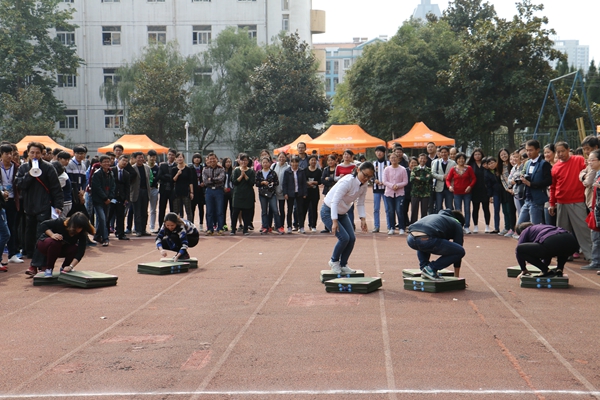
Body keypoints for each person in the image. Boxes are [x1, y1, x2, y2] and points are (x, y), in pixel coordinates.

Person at [16, 142, 64, 268]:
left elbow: (56, 188)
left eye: (37, 153)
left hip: (44, 205)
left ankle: (40, 262)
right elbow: (20, 185)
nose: (35, 155)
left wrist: (58, 205)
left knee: (42, 233)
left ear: (42, 154)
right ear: (28, 153)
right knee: (29, 233)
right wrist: (30, 174)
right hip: (28, 206)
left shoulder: (48, 167)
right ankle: (32, 257)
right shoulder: (23, 168)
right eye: (32, 152)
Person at [321, 162, 374, 274]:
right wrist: (334, 221)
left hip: (343, 213)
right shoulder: (347, 181)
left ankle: (343, 264)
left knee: (352, 238)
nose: (366, 179)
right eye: (365, 175)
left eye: (369, 177)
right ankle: (333, 261)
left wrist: (363, 219)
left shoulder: (364, 185)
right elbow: (334, 201)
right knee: (344, 238)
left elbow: (360, 203)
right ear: (358, 170)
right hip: (329, 211)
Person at [548, 141, 592, 262]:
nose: (560, 154)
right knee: (562, 231)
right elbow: (552, 187)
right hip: (561, 202)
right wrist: (552, 203)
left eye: (563, 151)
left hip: (577, 201)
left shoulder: (579, 160)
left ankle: (591, 256)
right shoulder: (555, 167)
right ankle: (565, 254)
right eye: (558, 152)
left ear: (568, 150)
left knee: (583, 229)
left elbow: (589, 172)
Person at [406, 210, 466, 280]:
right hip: (426, 239)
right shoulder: (457, 223)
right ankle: (431, 268)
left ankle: (424, 267)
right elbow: (458, 247)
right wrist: (456, 277)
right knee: (460, 251)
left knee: (423, 243)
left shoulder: (437, 218)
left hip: (410, 238)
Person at [35, 212, 95, 277]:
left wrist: (71, 266)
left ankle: (64, 268)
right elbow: (43, 224)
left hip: (60, 249)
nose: (78, 229)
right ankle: (49, 268)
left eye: (80, 227)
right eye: (76, 226)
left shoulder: (82, 233)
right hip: (45, 245)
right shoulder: (61, 222)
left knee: (74, 248)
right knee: (56, 242)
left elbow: (80, 252)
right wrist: (52, 235)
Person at [514, 222, 579, 278]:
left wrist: (523, 269)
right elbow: (547, 254)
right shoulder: (543, 227)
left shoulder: (526, 230)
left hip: (552, 242)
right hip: (571, 241)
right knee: (561, 248)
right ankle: (559, 269)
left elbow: (518, 250)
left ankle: (546, 270)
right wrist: (545, 266)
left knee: (520, 249)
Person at [516, 139, 552, 226]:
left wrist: (531, 184)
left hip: (537, 200)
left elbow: (548, 181)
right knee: (519, 226)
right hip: (527, 199)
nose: (528, 153)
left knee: (535, 226)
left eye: (531, 150)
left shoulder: (544, 164)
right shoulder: (527, 163)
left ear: (537, 150)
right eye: (527, 150)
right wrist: (522, 178)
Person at [0, 144, 22, 266]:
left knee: (12, 227)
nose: (9, 156)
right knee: (3, 229)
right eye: (6, 154)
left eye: (11, 153)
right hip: (1, 201)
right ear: (1, 155)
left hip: (13, 200)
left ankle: (12, 254)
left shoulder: (17, 167)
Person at [446, 152, 476, 234]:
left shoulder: (469, 168)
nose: (461, 160)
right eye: (459, 158)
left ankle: (467, 226)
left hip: (467, 192)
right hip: (457, 193)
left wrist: (470, 186)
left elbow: (474, 179)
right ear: (456, 160)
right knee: (458, 210)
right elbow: (448, 179)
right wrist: (449, 186)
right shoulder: (453, 169)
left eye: (463, 158)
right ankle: (459, 226)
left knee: (467, 209)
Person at [91, 155, 115, 246]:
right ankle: (105, 238)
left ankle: (97, 236)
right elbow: (97, 188)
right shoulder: (97, 174)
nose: (106, 163)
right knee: (102, 218)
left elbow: (113, 186)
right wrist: (105, 198)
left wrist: (110, 198)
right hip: (99, 201)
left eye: (108, 162)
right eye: (104, 162)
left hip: (108, 200)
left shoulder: (111, 173)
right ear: (100, 163)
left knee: (104, 219)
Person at [382, 153, 408, 235]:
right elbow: (384, 181)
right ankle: (391, 227)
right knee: (390, 211)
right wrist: (392, 186)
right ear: (389, 159)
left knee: (399, 210)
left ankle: (401, 227)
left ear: (398, 159)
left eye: (395, 157)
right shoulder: (387, 169)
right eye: (391, 158)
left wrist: (398, 185)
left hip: (400, 193)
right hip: (389, 193)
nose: (393, 159)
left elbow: (405, 181)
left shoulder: (403, 169)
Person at [256, 156, 283, 234]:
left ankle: (279, 227)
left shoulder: (273, 173)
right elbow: (256, 183)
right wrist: (262, 182)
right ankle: (265, 227)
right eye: (263, 162)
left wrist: (272, 183)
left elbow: (277, 182)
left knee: (275, 210)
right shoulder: (259, 173)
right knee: (264, 211)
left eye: (266, 162)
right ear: (261, 163)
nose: (265, 164)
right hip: (262, 194)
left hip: (271, 194)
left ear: (269, 163)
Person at [230, 153, 255, 235]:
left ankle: (245, 229)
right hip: (238, 194)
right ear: (239, 161)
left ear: (248, 161)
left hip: (247, 194)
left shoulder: (251, 171)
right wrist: (241, 176)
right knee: (235, 213)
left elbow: (252, 183)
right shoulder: (236, 170)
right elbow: (234, 182)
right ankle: (233, 229)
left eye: (245, 160)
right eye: (242, 160)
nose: (244, 162)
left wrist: (246, 177)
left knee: (246, 213)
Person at [282, 156, 307, 234]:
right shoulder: (287, 171)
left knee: (300, 210)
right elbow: (284, 183)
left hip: (299, 193)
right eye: (292, 162)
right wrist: (285, 193)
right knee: (289, 210)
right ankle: (289, 227)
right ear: (290, 163)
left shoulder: (301, 171)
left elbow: (304, 183)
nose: (294, 164)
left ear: (298, 163)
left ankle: (301, 227)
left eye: (296, 162)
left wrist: (305, 193)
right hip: (290, 193)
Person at [466, 148, 490, 233]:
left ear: (482, 155)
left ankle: (487, 225)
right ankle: (475, 226)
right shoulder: (470, 165)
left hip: (485, 189)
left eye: (479, 154)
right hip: (474, 189)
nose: (477, 156)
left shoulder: (486, 164)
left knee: (486, 208)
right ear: (473, 156)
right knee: (475, 208)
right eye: (475, 154)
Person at [203, 153, 226, 236]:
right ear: (208, 160)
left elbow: (221, 179)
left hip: (218, 190)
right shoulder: (205, 169)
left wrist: (211, 179)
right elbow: (205, 181)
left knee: (220, 211)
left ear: (217, 159)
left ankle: (220, 228)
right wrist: (215, 179)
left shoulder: (221, 169)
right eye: (210, 159)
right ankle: (210, 229)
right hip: (209, 191)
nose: (212, 160)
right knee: (209, 211)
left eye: (213, 158)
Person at [584, 149, 600, 270]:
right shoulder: (596, 173)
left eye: (592, 160)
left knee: (596, 237)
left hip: (597, 211)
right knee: (595, 237)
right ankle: (596, 261)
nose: (589, 162)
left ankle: (596, 261)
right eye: (588, 160)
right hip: (595, 209)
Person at [109, 155, 131, 240]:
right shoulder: (111, 170)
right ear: (118, 160)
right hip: (111, 197)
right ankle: (105, 232)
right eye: (123, 160)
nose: (125, 162)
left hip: (121, 197)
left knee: (121, 216)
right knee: (108, 215)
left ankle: (120, 233)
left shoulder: (127, 174)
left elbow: (127, 187)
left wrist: (126, 198)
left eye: (126, 161)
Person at [131, 152, 152, 237]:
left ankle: (143, 229)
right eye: (139, 157)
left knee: (144, 212)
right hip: (136, 192)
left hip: (145, 191)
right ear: (135, 158)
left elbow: (149, 179)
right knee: (137, 212)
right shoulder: (132, 168)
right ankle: (138, 230)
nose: (140, 159)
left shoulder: (147, 167)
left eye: (142, 157)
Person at [431, 146, 456, 213]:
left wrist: (449, 177)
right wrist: (442, 177)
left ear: (448, 153)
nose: (443, 154)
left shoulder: (453, 163)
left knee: (449, 207)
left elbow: (456, 173)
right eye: (442, 152)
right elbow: (432, 173)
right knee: (438, 207)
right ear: (440, 153)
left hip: (449, 188)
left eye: (445, 152)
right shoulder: (436, 162)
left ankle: (449, 219)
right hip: (439, 188)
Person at [371, 145, 390, 233]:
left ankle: (389, 226)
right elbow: (370, 175)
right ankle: (376, 226)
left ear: (384, 153)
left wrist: (386, 182)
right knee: (376, 209)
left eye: (381, 151)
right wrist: (374, 180)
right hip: (376, 189)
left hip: (387, 189)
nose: (379, 153)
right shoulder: (373, 164)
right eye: (377, 151)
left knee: (388, 208)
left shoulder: (389, 163)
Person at [410, 153, 432, 224]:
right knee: (414, 210)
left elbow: (428, 179)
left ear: (426, 160)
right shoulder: (414, 169)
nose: (422, 160)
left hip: (425, 193)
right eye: (421, 158)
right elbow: (412, 179)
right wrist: (423, 178)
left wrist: (418, 178)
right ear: (418, 159)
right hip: (415, 192)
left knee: (424, 211)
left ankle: (423, 225)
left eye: (424, 158)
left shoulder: (428, 169)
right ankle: (413, 224)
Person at [171, 152, 194, 221]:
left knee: (188, 210)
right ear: (175, 159)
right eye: (178, 157)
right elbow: (173, 180)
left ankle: (190, 225)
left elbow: (190, 182)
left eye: (181, 157)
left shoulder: (188, 169)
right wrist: (177, 174)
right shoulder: (174, 169)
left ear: (184, 158)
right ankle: (177, 225)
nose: (179, 159)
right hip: (176, 192)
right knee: (176, 211)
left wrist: (191, 192)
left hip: (186, 192)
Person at [157, 149, 176, 226]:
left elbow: (175, 178)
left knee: (173, 209)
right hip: (163, 190)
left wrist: (166, 176)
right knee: (162, 209)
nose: (171, 156)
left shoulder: (176, 166)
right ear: (167, 155)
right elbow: (159, 176)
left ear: (175, 156)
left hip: (173, 190)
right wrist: (170, 178)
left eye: (172, 155)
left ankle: (173, 225)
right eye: (169, 154)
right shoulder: (163, 165)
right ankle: (161, 226)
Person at [304, 155, 322, 232]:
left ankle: (313, 225)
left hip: (315, 192)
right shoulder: (305, 170)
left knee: (314, 209)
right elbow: (302, 180)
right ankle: (302, 225)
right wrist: (307, 183)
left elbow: (321, 181)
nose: (313, 162)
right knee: (304, 209)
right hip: (306, 192)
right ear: (309, 161)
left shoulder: (319, 171)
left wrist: (316, 182)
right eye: (312, 160)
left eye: (314, 160)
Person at [320, 154, 337, 233]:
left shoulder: (338, 169)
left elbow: (338, 179)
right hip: (327, 191)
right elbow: (322, 180)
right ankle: (327, 227)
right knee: (327, 208)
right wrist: (331, 182)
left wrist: (330, 179)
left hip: (336, 191)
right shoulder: (325, 169)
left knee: (336, 208)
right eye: (329, 160)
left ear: (335, 161)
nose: (330, 162)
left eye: (332, 160)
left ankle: (336, 226)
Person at [189, 153, 205, 231]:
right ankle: (191, 224)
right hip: (193, 191)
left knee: (201, 208)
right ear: (193, 159)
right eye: (195, 158)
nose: (197, 159)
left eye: (198, 157)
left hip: (201, 191)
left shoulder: (203, 168)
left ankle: (201, 224)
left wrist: (203, 183)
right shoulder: (190, 168)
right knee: (192, 208)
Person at [147, 149, 160, 233]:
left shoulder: (157, 168)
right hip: (145, 190)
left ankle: (152, 226)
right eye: (150, 156)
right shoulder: (144, 166)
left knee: (153, 209)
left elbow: (157, 178)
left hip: (154, 189)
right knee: (142, 208)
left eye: (154, 157)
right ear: (147, 157)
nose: (152, 158)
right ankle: (139, 226)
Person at [222, 157, 234, 232]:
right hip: (223, 192)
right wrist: (223, 188)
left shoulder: (233, 171)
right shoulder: (221, 171)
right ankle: (224, 224)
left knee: (232, 209)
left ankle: (233, 224)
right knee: (223, 209)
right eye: (227, 162)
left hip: (231, 191)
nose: (228, 163)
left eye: (229, 162)